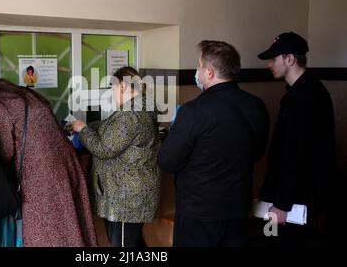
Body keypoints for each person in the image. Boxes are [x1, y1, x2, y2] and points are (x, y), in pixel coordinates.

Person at [158, 41, 270, 247]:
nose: (197, 72)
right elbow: (257, 153)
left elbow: (167, 161)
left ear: (209, 72)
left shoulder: (192, 112)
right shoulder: (255, 105)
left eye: (199, 67)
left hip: (198, 213)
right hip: (238, 208)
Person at [0, 78, 97, 247]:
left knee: (45, 230)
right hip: (66, 162)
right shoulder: (25, 94)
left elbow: (6, 151)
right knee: (70, 222)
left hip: (39, 174)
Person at [257, 32, 336, 246]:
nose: (269, 64)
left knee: (274, 240)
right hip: (287, 195)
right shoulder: (303, 91)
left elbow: (295, 153)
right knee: (270, 237)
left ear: (290, 59)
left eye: (274, 59)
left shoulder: (303, 97)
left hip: (290, 201)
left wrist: (281, 205)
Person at [69, 66, 161, 247]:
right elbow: (111, 127)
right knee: (131, 242)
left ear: (122, 86)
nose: (112, 93)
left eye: (112, 88)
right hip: (131, 191)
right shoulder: (141, 106)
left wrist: (83, 129)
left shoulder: (130, 115)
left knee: (122, 244)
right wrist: (87, 125)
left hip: (126, 197)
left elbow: (104, 149)